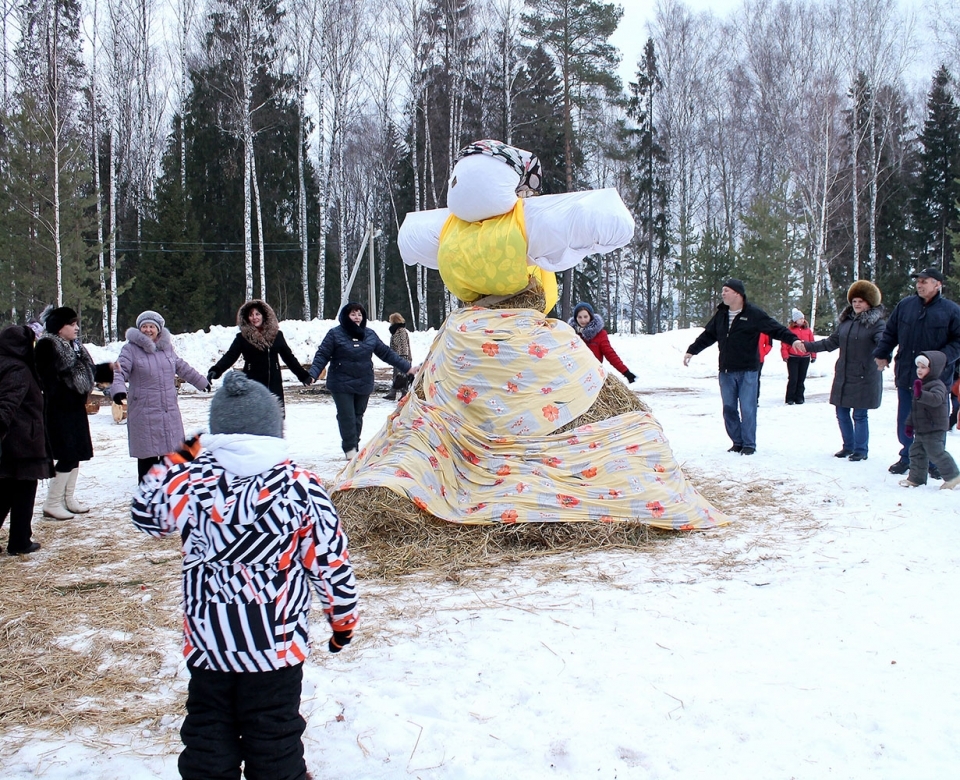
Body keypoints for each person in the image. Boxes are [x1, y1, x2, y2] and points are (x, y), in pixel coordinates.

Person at [131, 370, 359, 779]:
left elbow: (146, 515)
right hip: (274, 646)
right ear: (273, 429)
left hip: (209, 643)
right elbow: (329, 562)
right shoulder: (300, 486)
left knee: (208, 735)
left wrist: (183, 451)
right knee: (274, 739)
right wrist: (342, 620)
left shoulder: (188, 482)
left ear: (216, 433)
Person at [683, 278, 803, 455]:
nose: (723, 294)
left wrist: (793, 340)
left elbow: (776, 329)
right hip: (726, 370)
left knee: (748, 408)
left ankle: (749, 444)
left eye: (726, 290)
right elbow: (708, 335)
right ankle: (737, 442)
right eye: (722, 290)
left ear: (737, 294)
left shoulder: (753, 313)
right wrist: (692, 350)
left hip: (748, 370)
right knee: (729, 408)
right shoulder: (722, 314)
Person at [873, 267, 960, 476]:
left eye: (925, 281)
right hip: (907, 374)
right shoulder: (905, 305)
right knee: (906, 419)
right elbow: (890, 333)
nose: (919, 285)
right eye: (918, 281)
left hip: (936, 380)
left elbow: (958, 342)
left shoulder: (951, 310)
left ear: (938, 284)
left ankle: (934, 462)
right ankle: (907, 456)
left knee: (934, 421)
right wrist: (882, 353)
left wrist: (937, 360)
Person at [109, 310, 210, 482]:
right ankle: (147, 490)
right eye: (144, 326)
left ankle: (168, 487)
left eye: (152, 326)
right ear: (139, 329)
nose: (148, 330)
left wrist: (201, 382)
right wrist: (118, 390)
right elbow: (119, 371)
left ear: (158, 329)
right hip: (144, 410)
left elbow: (182, 367)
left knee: (169, 452)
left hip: (167, 409)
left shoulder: (166, 348)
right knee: (147, 454)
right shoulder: (130, 349)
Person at [34, 306, 114, 520]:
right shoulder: (47, 345)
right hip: (58, 411)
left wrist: (106, 369)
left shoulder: (75, 346)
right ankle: (52, 503)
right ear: (59, 327)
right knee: (67, 454)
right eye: (71, 324)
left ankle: (67, 498)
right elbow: (46, 379)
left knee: (76, 453)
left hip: (74, 409)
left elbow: (86, 371)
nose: (76, 327)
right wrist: (64, 394)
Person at [308, 302, 415, 459]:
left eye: (359, 314)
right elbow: (322, 355)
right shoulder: (334, 334)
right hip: (340, 382)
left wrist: (407, 368)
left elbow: (386, 353)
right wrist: (313, 374)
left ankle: (354, 446)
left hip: (363, 381)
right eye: (353, 314)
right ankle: (350, 449)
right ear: (346, 316)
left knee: (358, 416)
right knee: (347, 416)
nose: (357, 317)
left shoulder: (369, 334)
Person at [804, 280, 886, 462]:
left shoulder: (877, 324)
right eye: (854, 301)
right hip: (844, 374)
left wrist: (884, 354)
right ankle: (848, 446)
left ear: (869, 303)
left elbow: (883, 343)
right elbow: (830, 342)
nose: (857, 304)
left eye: (861, 301)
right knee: (841, 412)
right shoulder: (845, 323)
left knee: (860, 415)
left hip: (864, 376)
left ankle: (861, 449)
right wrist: (807, 346)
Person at [0, 324, 54, 555]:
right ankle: (20, 541)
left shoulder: (6, 363)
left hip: (15, 441)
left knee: (6, 492)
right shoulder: (17, 369)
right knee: (22, 492)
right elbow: (7, 404)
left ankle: (20, 539)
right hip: (21, 442)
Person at [207, 299, 312, 414]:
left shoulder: (277, 335)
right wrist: (216, 369)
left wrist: (303, 376)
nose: (254, 317)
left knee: (275, 418)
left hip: (273, 384)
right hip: (252, 385)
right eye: (251, 315)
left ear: (264, 315)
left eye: (257, 314)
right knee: (254, 419)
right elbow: (230, 356)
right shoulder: (242, 338)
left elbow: (289, 358)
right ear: (246, 318)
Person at [899, 351, 960, 489]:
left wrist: (921, 394)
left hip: (934, 427)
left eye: (923, 367)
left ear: (933, 369)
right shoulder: (920, 385)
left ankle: (953, 476)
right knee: (916, 452)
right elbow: (915, 409)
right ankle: (917, 478)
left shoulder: (937, 385)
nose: (919, 370)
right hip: (922, 427)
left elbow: (936, 399)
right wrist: (909, 424)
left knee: (936, 452)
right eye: (918, 367)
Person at [568, 302, 637, 383]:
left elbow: (610, 354)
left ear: (591, 316)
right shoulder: (570, 334)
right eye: (579, 317)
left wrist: (626, 372)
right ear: (575, 318)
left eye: (585, 317)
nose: (583, 320)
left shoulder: (600, 334)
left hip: (593, 376)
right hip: (574, 376)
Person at [782, 308, 814, 405]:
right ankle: (790, 398)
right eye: (800, 318)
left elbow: (812, 343)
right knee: (793, 378)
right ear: (795, 320)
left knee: (801, 378)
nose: (802, 320)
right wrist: (785, 355)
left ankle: (799, 397)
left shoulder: (808, 330)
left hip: (805, 357)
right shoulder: (789, 330)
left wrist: (813, 355)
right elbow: (784, 343)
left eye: (803, 318)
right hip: (793, 357)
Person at [385, 312, 412, 401]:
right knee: (397, 375)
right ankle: (393, 393)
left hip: (401, 357)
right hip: (397, 357)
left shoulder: (401, 331)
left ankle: (404, 394)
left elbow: (403, 345)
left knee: (402, 376)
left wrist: (402, 358)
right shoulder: (396, 330)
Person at [757, 332, 772, 400]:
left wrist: (763, 352)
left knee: (756, 379)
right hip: (745, 358)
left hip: (759, 359)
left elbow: (769, 344)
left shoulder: (764, 329)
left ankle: (755, 399)